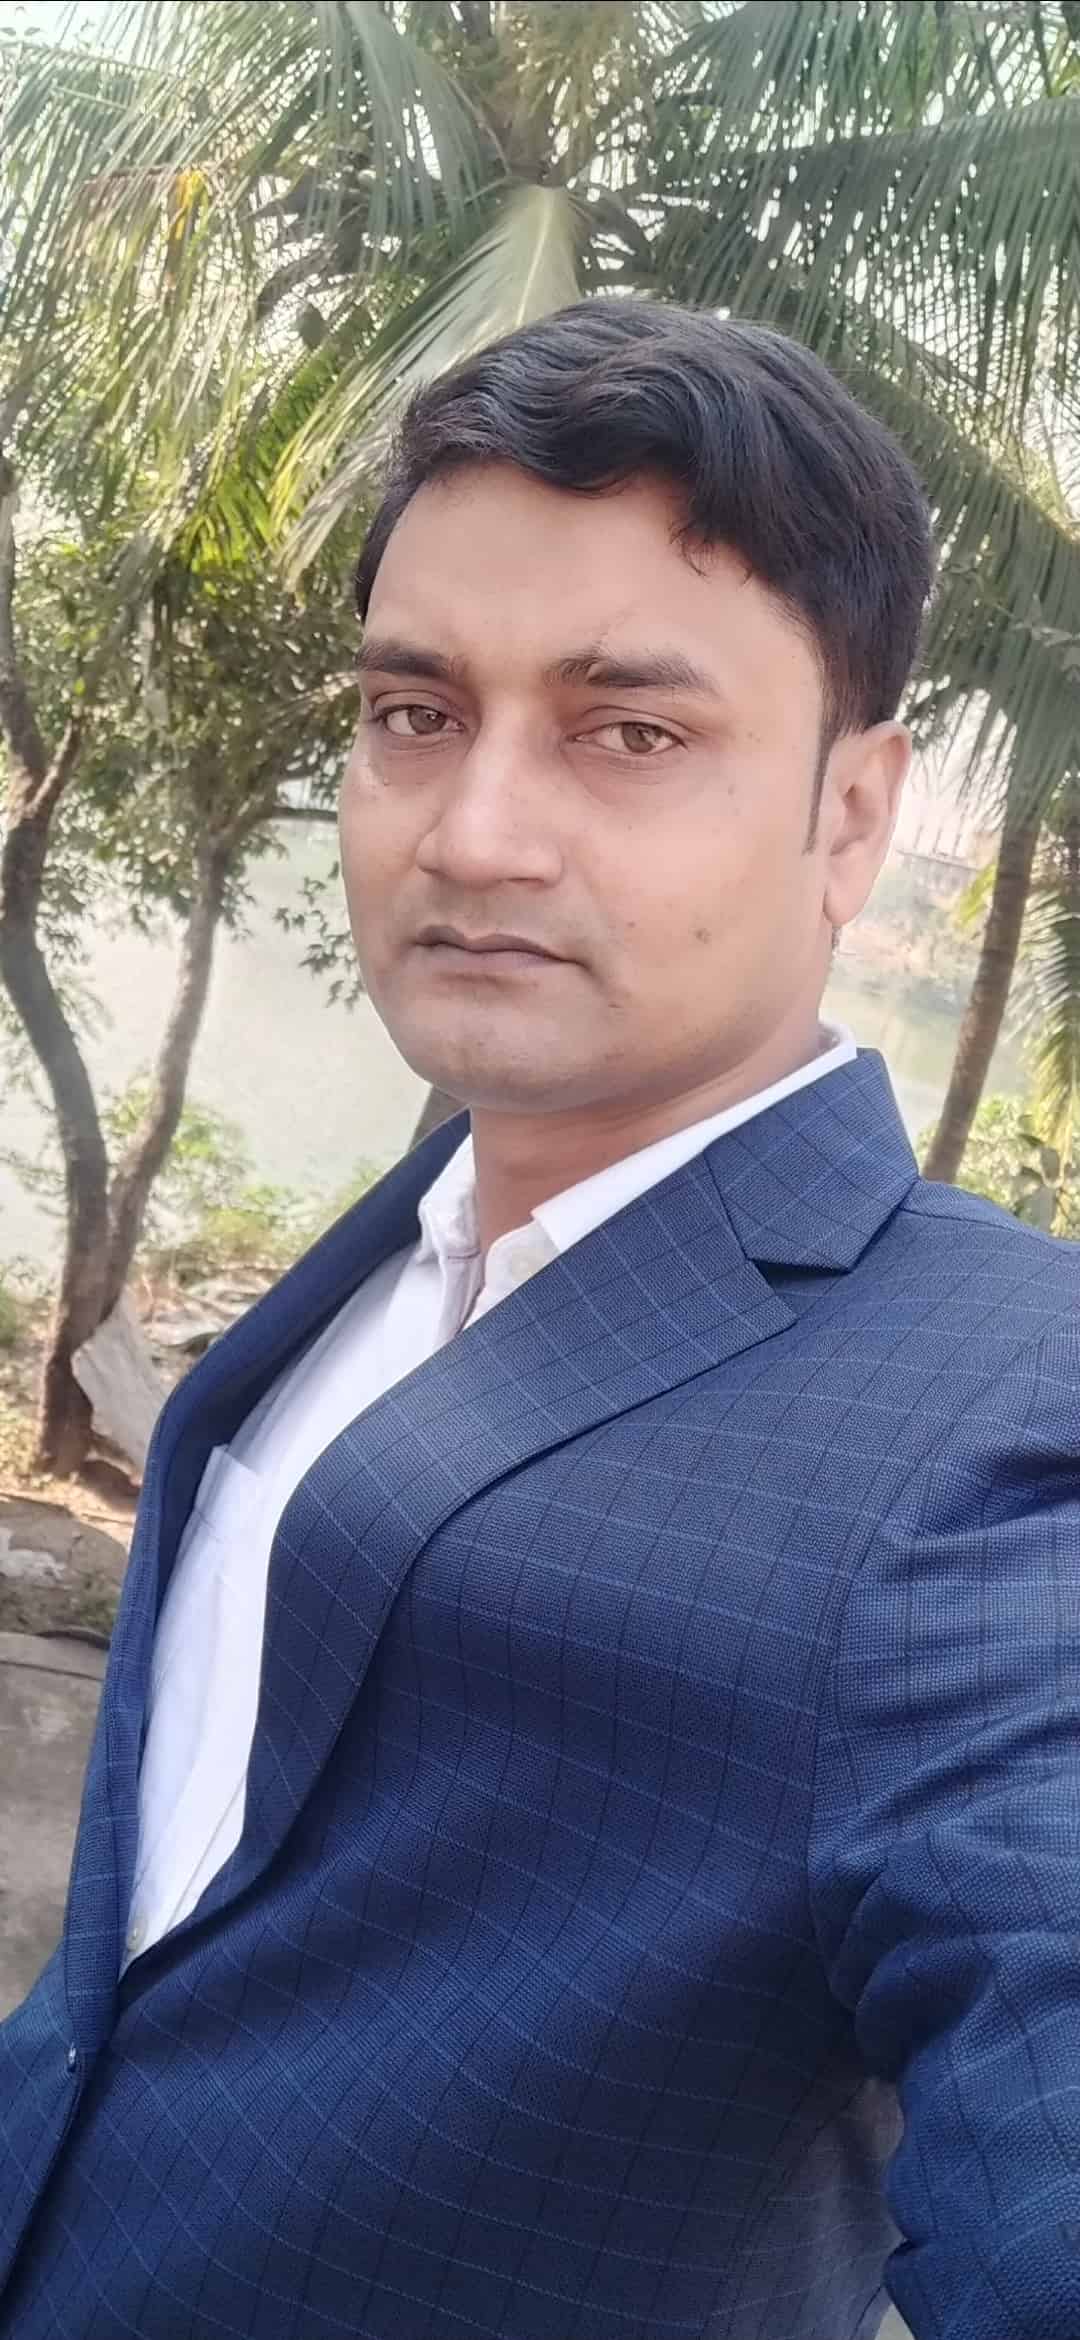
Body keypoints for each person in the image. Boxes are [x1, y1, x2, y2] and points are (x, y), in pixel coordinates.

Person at [1, 299, 1078, 2340]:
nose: (472, 830)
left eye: (630, 733)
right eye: (415, 711)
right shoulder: (402, 1245)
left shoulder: (1007, 1429)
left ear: (853, 817)